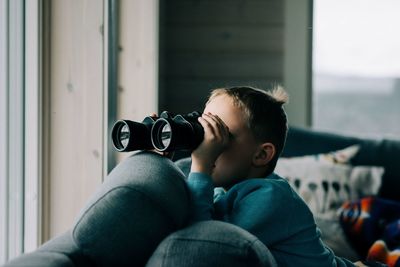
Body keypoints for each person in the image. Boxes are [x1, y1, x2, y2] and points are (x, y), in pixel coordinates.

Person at [186, 85, 357, 267]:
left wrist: (200, 166)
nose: (206, 144)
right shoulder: (222, 190)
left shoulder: (271, 198)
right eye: (204, 129)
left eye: (220, 135)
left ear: (261, 155)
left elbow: (201, 244)